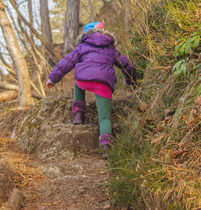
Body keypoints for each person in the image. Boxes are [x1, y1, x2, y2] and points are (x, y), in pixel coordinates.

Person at [45, 22, 136, 157]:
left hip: (84, 80)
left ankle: (78, 113)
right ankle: (106, 147)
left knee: (78, 79)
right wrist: (130, 80)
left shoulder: (81, 47)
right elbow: (126, 64)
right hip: (104, 84)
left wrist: (53, 79)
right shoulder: (111, 49)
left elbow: (66, 63)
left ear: (85, 34)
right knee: (105, 117)